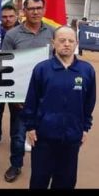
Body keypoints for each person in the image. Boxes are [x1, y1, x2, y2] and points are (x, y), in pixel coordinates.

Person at [21, 26, 96, 189]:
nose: (66, 44)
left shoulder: (86, 70)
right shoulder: (42, 69)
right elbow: (31, 100)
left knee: (66, 180)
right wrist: (31, 126)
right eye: (62, 40)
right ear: (53, 42)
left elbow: (89, 102)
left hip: (72, 138)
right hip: (43, 137)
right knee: (39, 179)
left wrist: (84, 127)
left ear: (77, 43)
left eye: (71, 41)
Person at [1, 0, 55, 183]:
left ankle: (42, 167)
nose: (35, 12)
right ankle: (16, 165)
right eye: (31, 8)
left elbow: (61, 62)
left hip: (47, 95)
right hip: (20, 95)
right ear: (24, 11)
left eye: (39, 8)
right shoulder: (12, 35)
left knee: (46, 134)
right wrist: (14, 96)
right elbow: (4, 66)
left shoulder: (53, 33)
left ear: (44, 9)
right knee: (18, 134)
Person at [0, 5, 32, 151]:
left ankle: (18, 138)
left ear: (17, 16)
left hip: (17, 78)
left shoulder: (23, 32)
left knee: (17, 109)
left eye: (11, 16)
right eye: (4, 17)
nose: (8, 19)